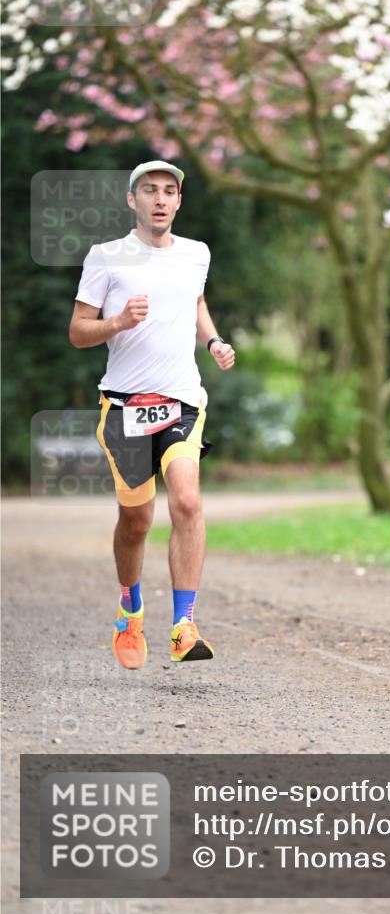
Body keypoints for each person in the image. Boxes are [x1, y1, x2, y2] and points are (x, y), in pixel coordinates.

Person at [69, 160, 235, 670]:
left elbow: (195, 302)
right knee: (137, 519)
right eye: (149, 191)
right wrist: (117, 322)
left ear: (179, 201)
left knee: (186, 500)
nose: (160, 199)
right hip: (123, 407)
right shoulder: (107, 257)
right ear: (132, 200)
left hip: (183, 400)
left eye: (169, 191)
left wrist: (212, 339)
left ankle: (184, 627)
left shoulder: (196, 254)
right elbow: (78, 330)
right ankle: (130, 610)